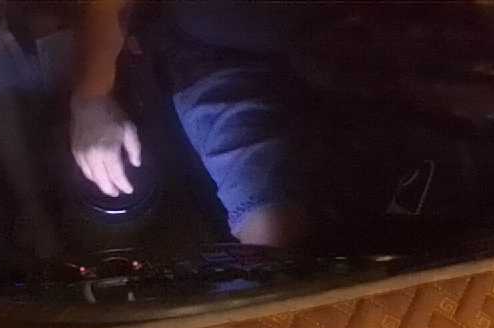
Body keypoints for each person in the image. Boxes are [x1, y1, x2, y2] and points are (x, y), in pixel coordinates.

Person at [69, 0, 327, 247]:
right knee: (273, 231)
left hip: (331, 42)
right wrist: (92, 97)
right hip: (217, 58)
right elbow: (106, 6)